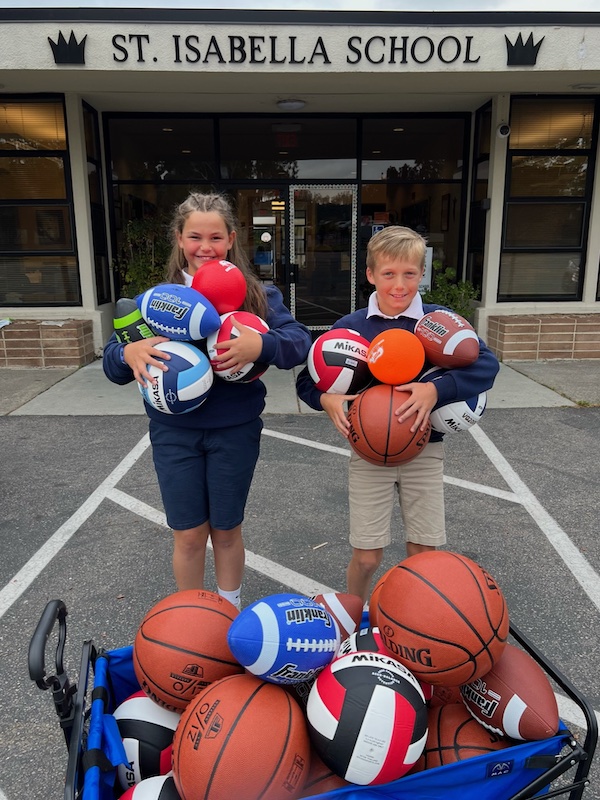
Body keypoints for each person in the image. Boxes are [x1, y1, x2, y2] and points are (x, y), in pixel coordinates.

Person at [103, 192, 312, 609]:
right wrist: (129, 353)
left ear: (231, 239)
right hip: (174, 434)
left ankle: (229, 610)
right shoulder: (157, 301)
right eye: (195, 236)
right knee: (188, 533)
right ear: (179, 239)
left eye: (215, 237)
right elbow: (114, 362)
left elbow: (298, 342)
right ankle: (193, 619)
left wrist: (262, 345)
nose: (205, 247)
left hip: (235, 431)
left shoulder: (258, 296)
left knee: (227, 531)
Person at [296, 225, 499, 604]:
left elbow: (486, 365)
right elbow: (307, 382)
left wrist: (434, 389)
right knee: (368, 554)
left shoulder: (439, 322)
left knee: (425, 553)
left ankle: (418, 619)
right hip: (369, 453)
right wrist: (326, 400)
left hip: (426, 450)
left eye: (409, 273)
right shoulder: (351, 327)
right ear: (371, 275)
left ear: (422, 274)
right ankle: (353, 617)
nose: (399, 285)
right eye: (388, 274)